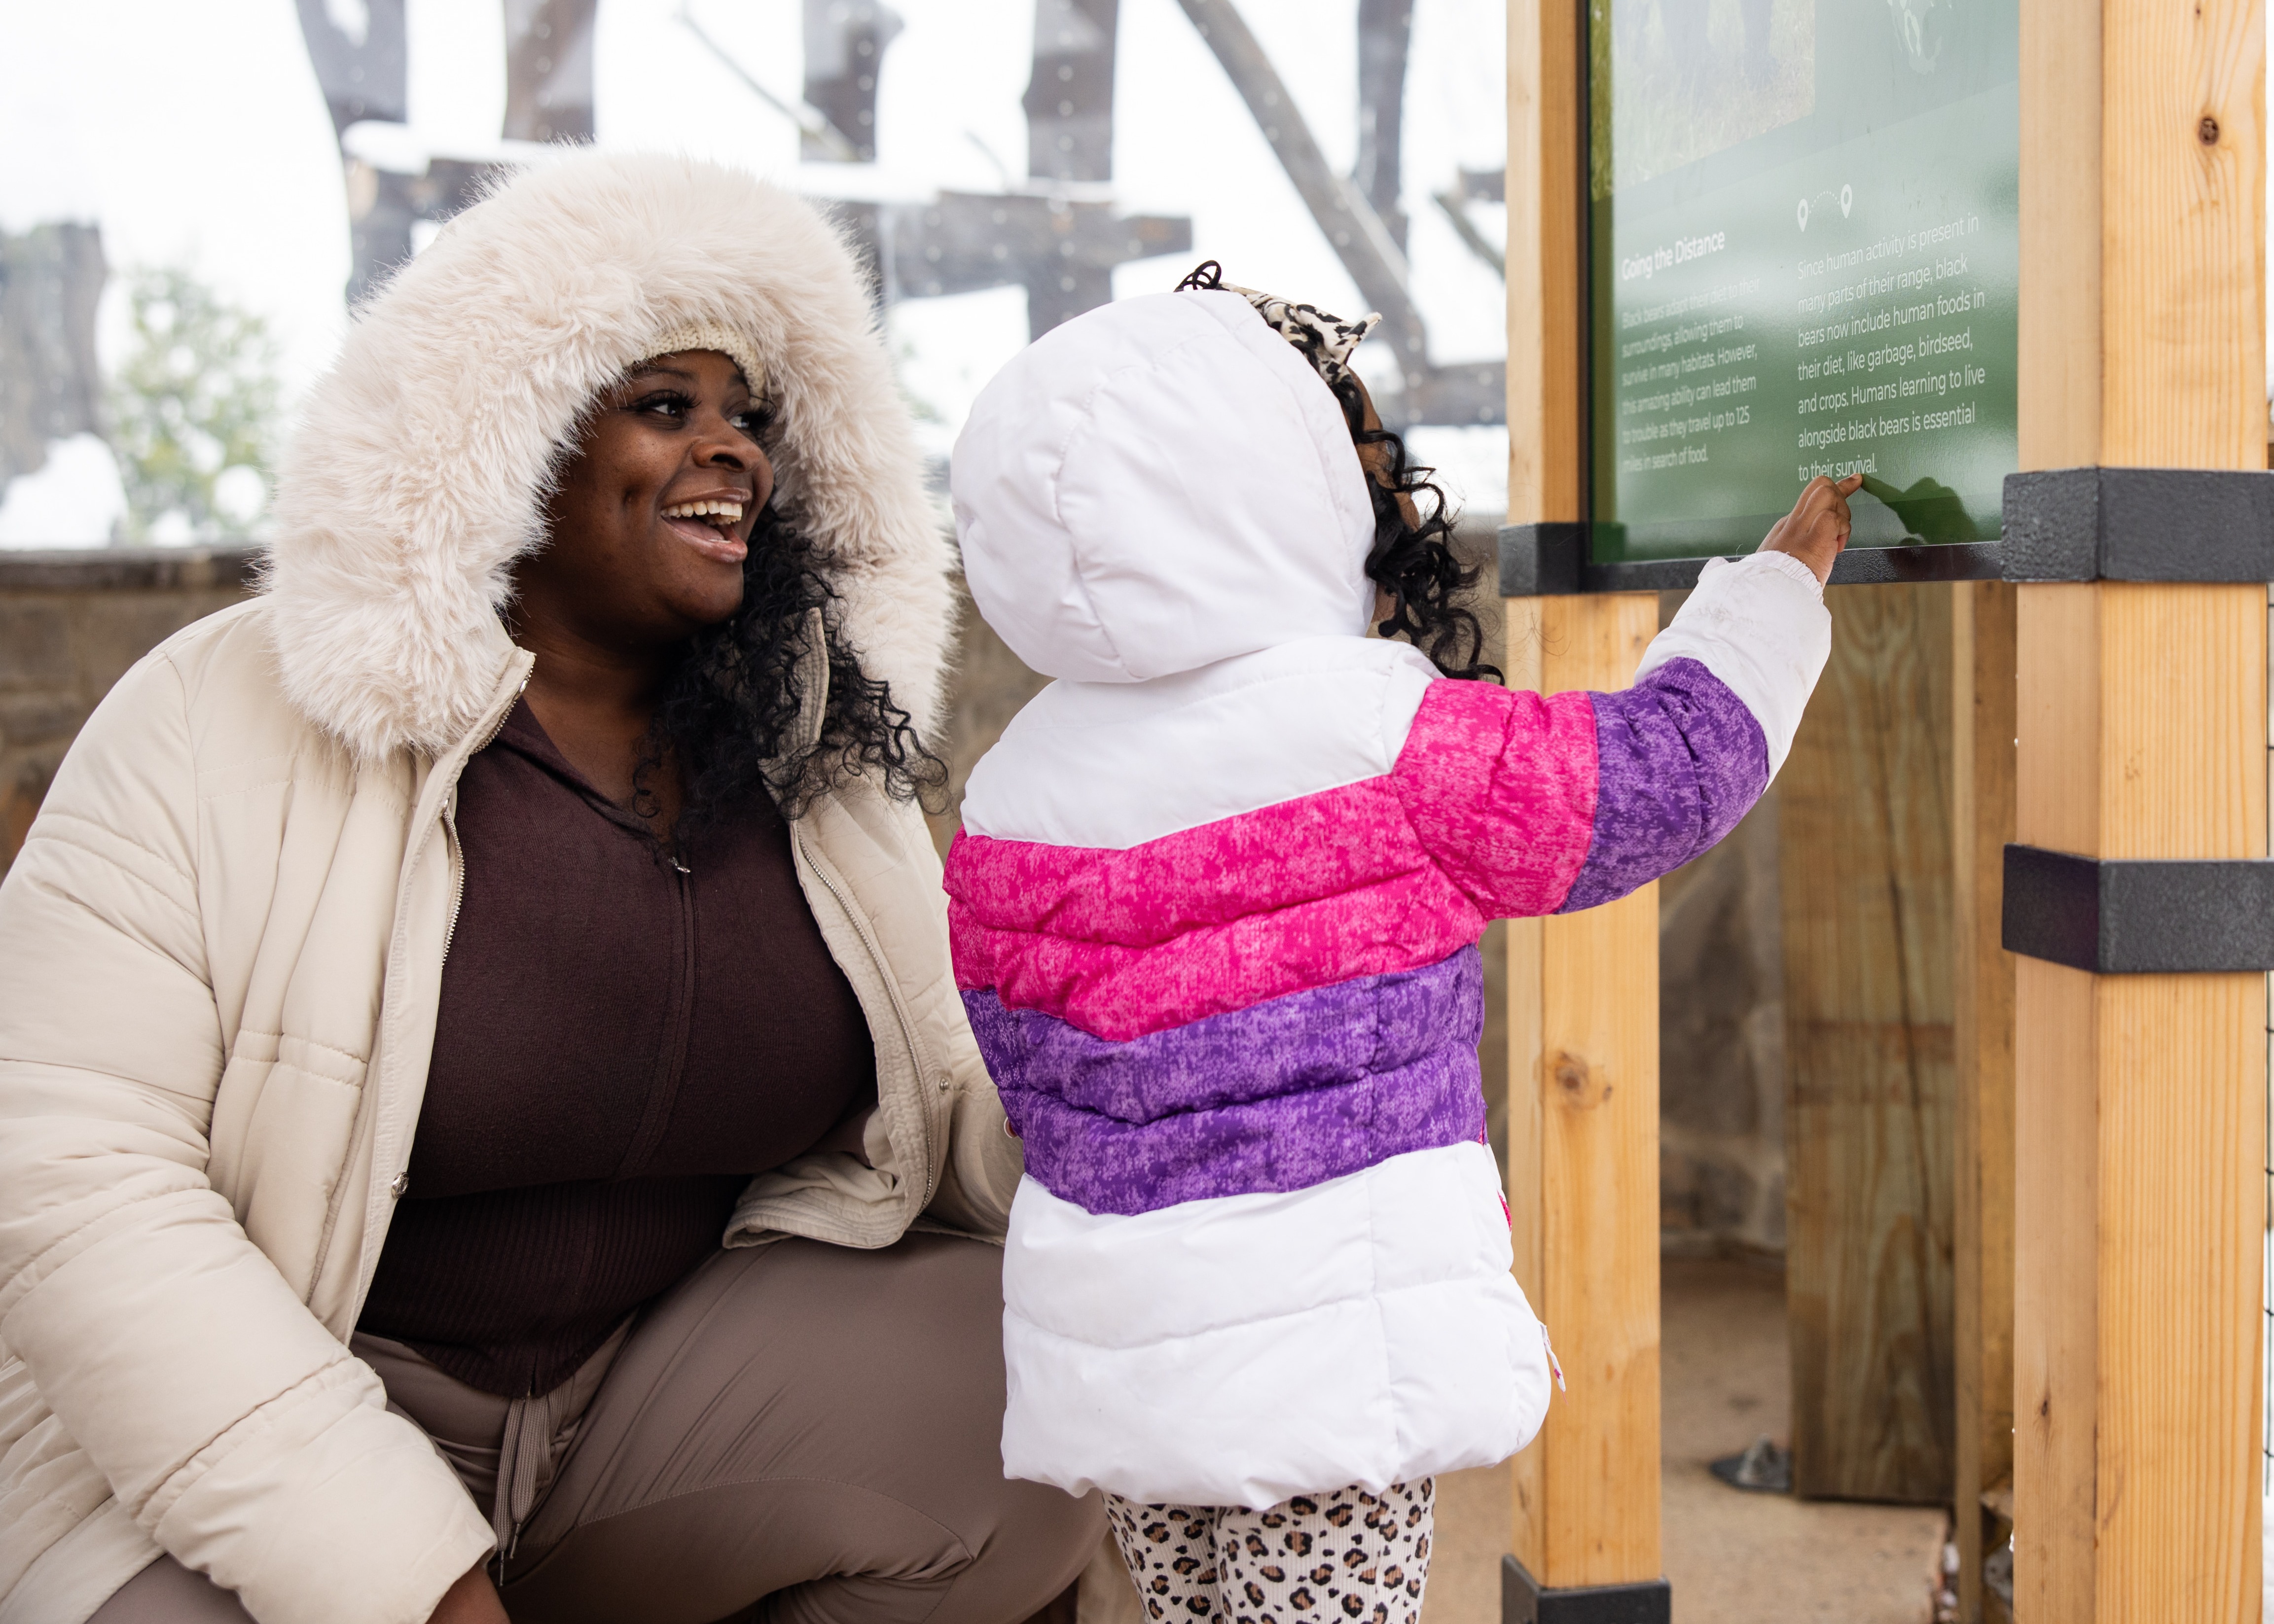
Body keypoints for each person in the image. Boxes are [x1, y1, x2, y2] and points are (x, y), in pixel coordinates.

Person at [0, 151, 1101, 1624]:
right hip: (245, 1428)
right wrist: (412, 1579)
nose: (736, 454)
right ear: (505, 430)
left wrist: (1161, 1104)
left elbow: (950, 1100)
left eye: (753, 417)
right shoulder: (217, 713)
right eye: (665, 406)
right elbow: (72, 1180)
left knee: (1041, 1390)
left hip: (640, 1412)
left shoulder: (810, 757)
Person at [942, 265, 1859, 1621]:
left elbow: (1033, 1082)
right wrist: (1766, 602)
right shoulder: (1375, 728)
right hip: (1334, 1348)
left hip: (1122, 1344)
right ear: (1279, 488)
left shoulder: (1009, 795)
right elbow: (1643, 782)